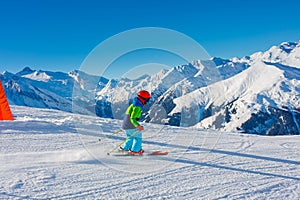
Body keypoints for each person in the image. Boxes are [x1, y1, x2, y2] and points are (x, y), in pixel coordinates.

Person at [120, 90, 151, 155]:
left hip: (125, 123)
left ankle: (125, 149)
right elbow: (132, 118)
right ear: (143, 99)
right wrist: (138, 126)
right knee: (138, 137)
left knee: (130, 137)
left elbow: (128, 114)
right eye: (147, 100)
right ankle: (135, 151)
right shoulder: (137, 106)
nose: (147, 102)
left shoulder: (134, 104)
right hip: (131, 124)